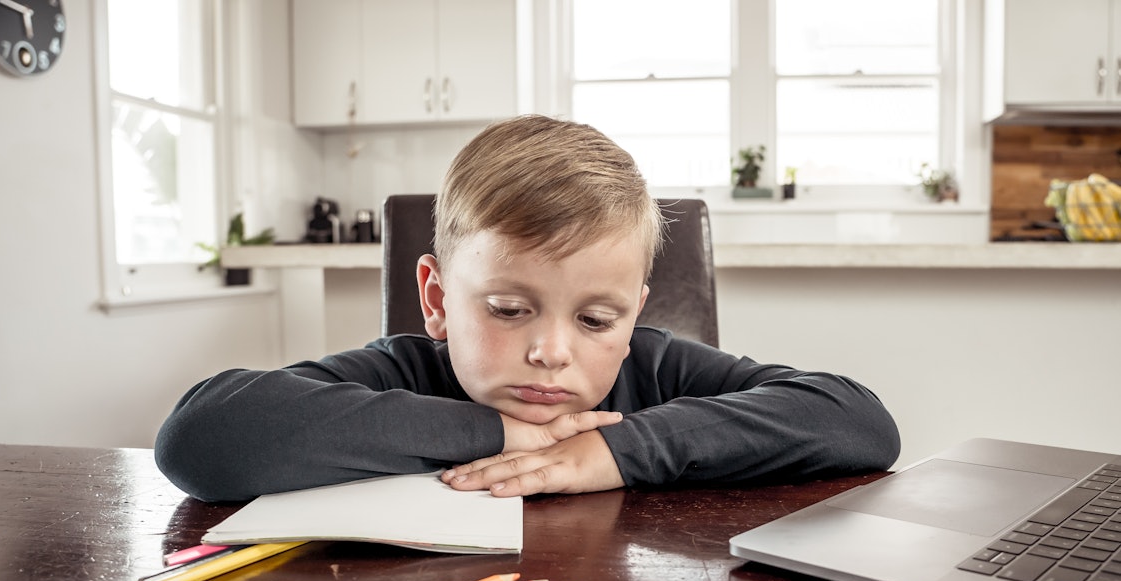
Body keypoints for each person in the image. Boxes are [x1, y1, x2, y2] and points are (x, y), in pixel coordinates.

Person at [155, 115, 900, 503]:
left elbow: (856, 418)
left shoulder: (657, 367)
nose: (551, 350)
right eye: (509, 309)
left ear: (633, 316)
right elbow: (200, 434)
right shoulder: (406, 370)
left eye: (596, 321)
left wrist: (614, 449)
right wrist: (499, 431)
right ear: (438, 301)